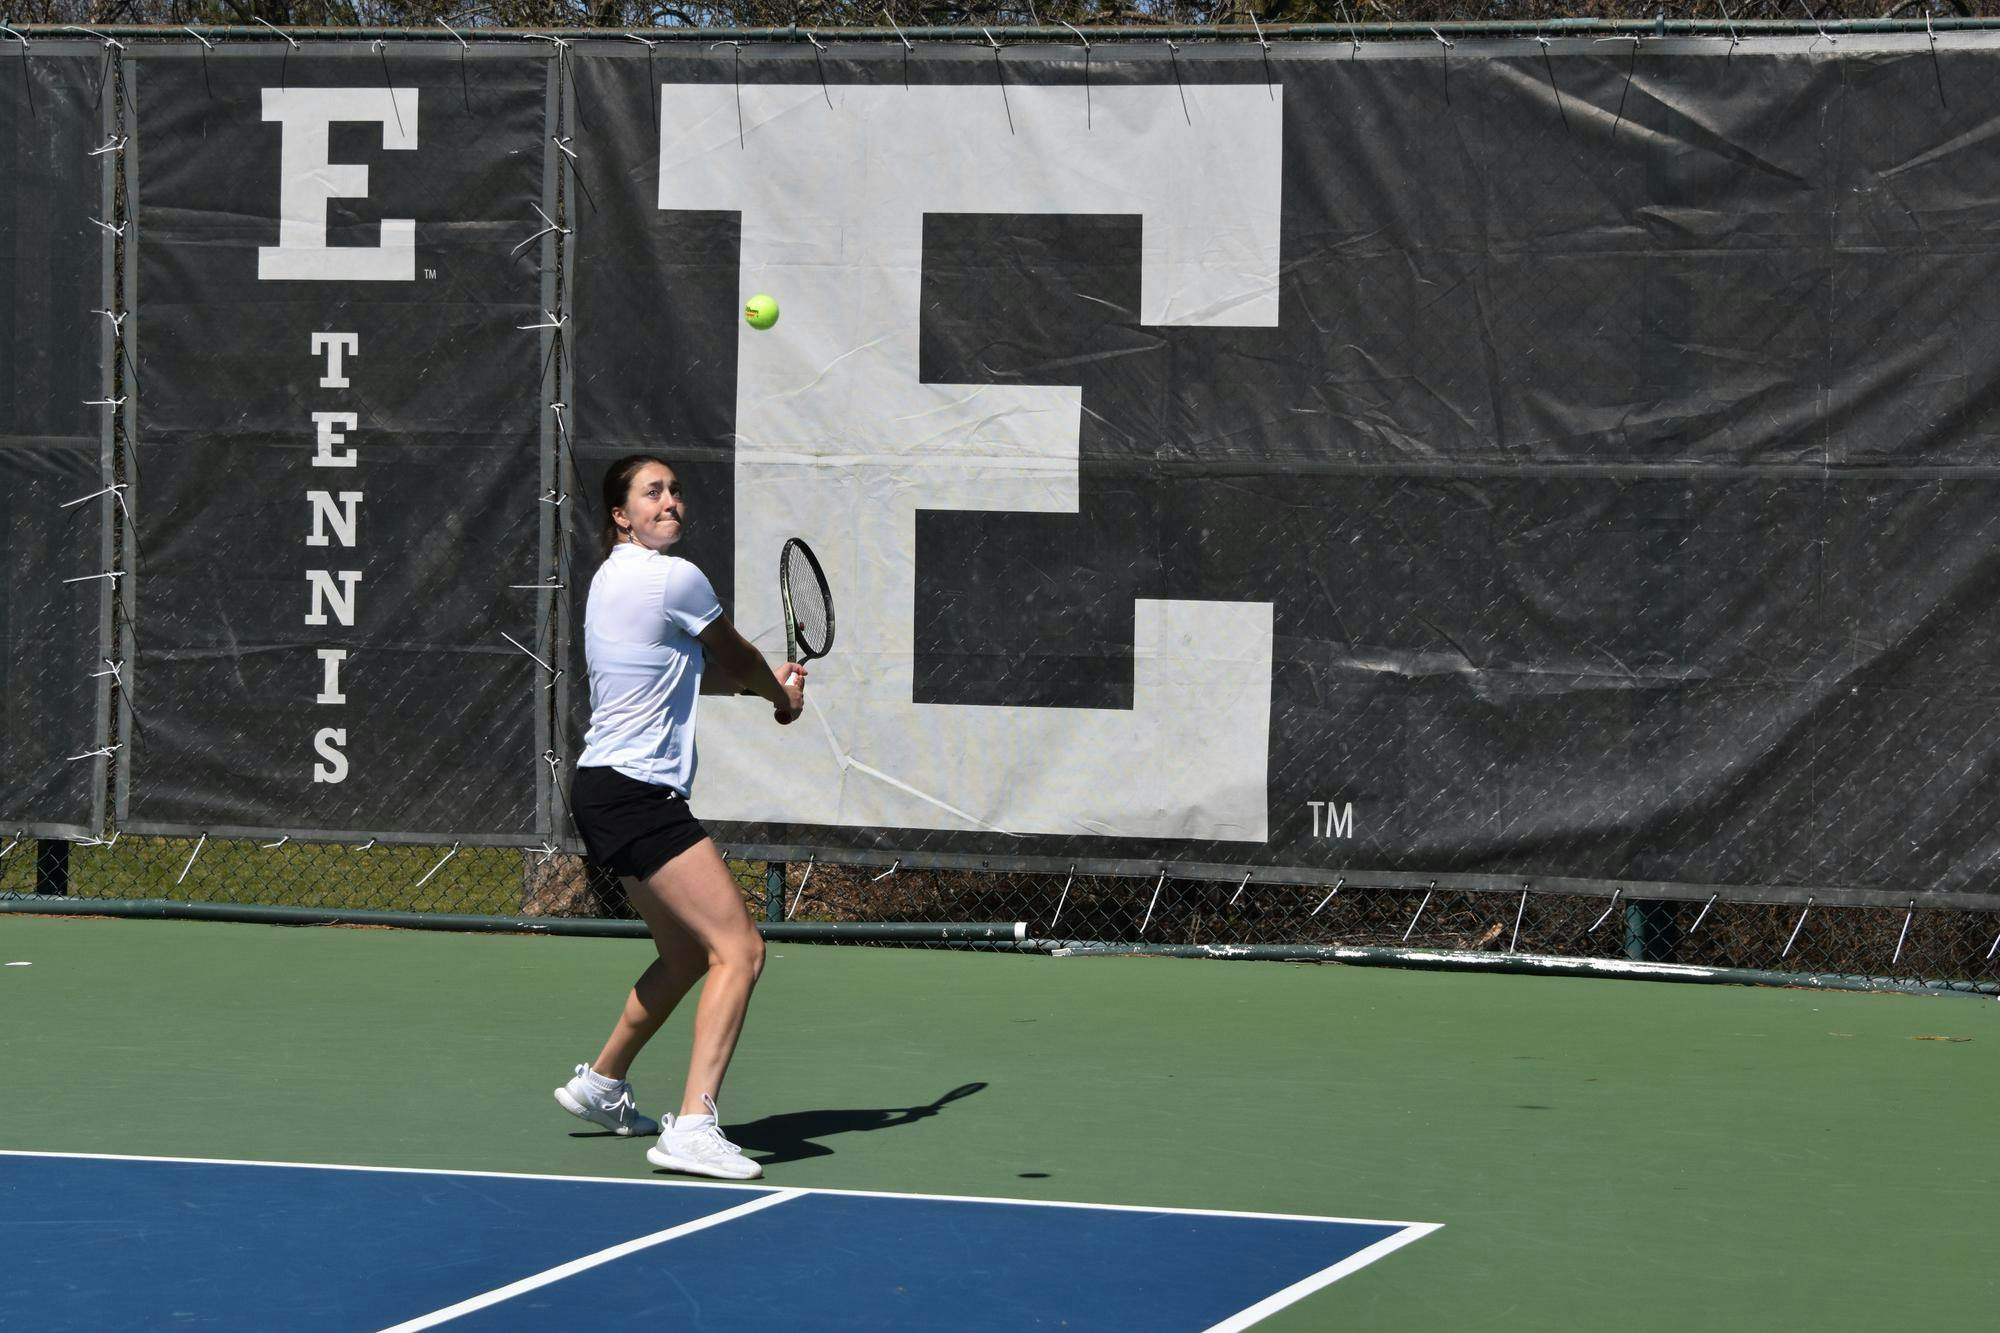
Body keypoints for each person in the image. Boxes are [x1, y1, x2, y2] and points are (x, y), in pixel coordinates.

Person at [555, 454, 805, 1181]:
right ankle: (693, 1127)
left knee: (688, 954)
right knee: (740, 950)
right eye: (652, 493)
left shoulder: (612, 579)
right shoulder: (675, 578)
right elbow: (736, 653)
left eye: (674, 491)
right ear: (621, 515)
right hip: (637, 793)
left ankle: (602, 1083)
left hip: (601, 789)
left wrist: (762, 688)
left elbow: (692, 673)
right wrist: (779, 696)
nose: (670, 502)